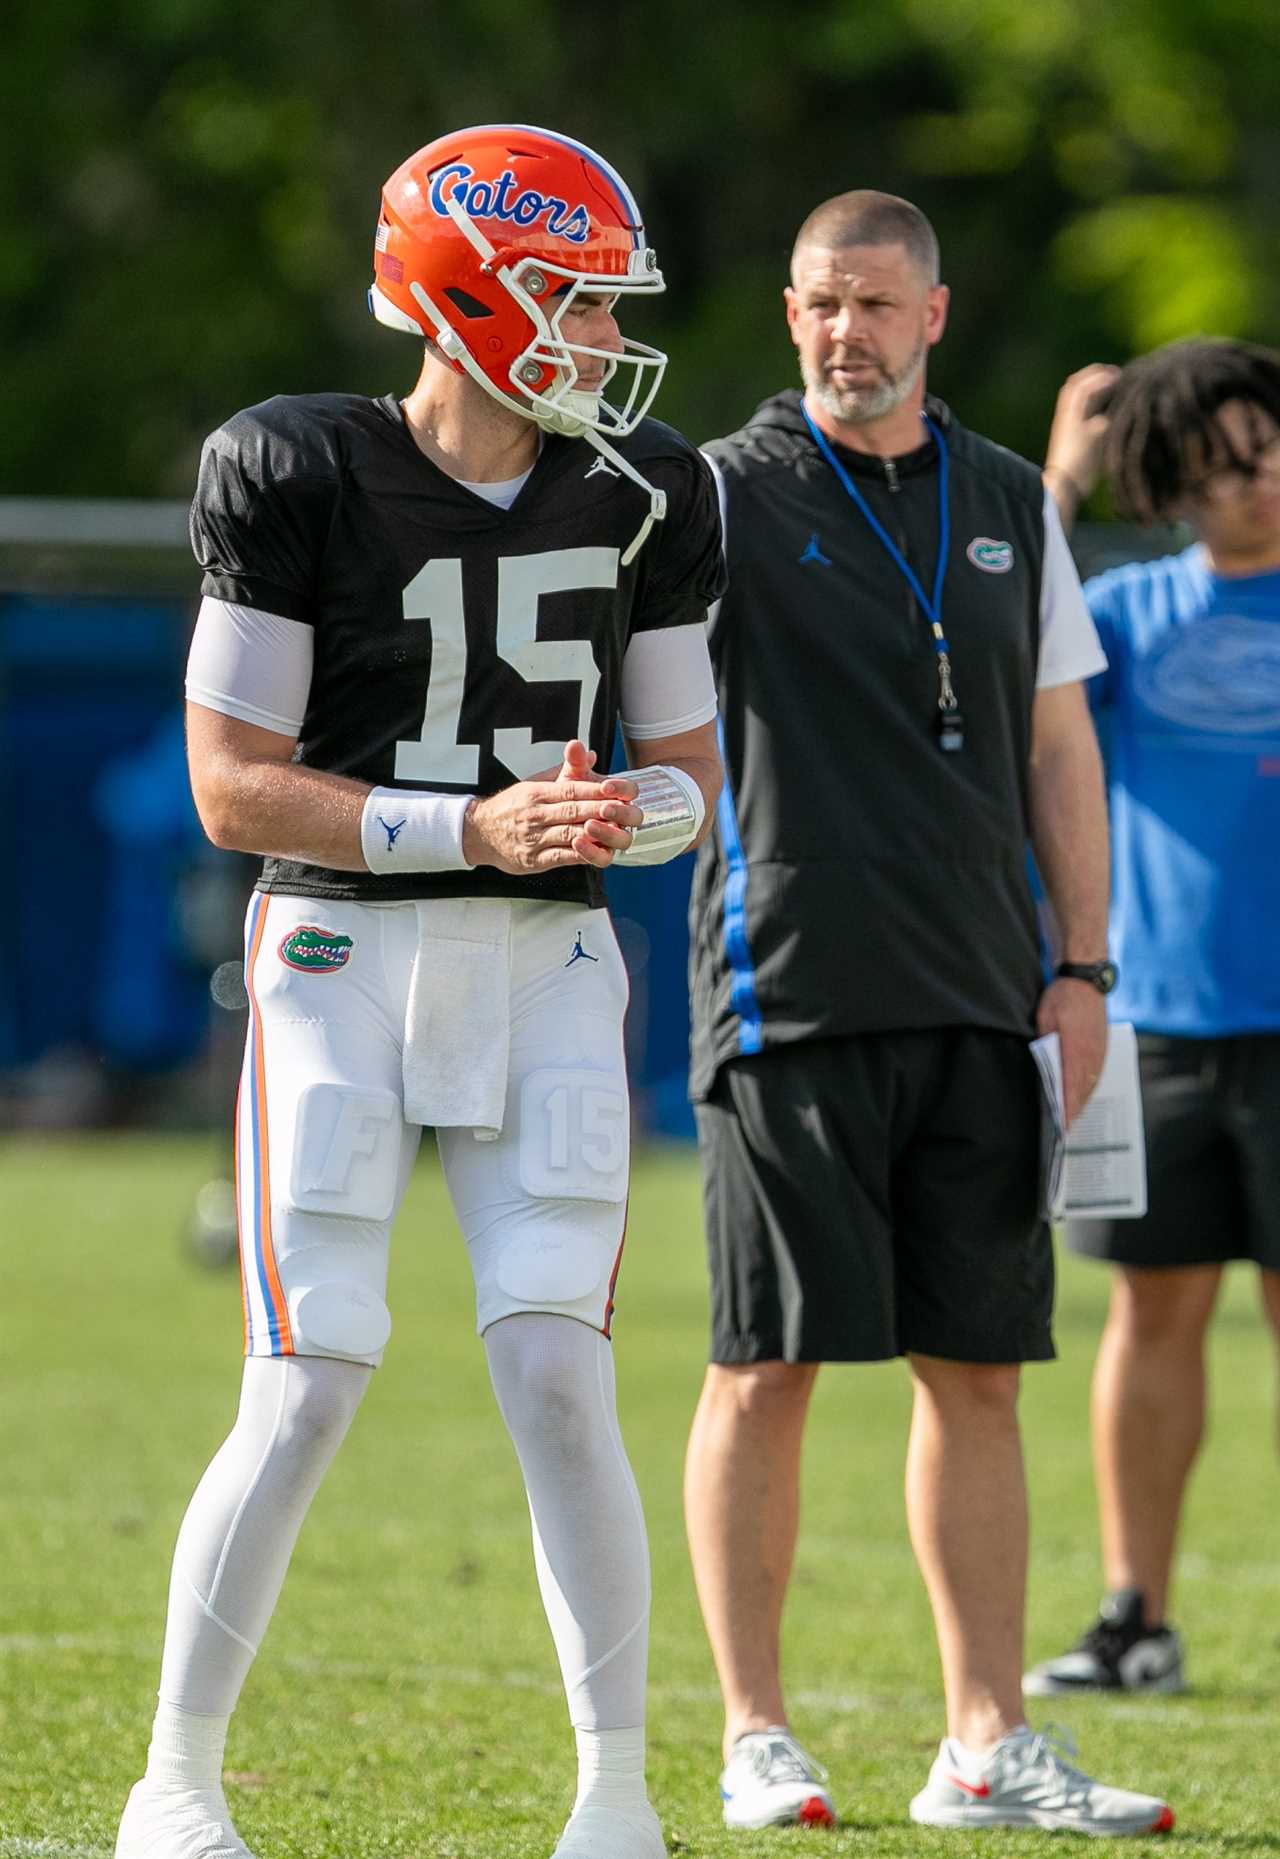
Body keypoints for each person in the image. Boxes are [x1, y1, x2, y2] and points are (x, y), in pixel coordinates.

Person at [113, 123, 724, 1859]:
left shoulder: (653, 487)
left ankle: (617, 1797)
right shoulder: (295, 464)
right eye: (577, 299)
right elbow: (234, 785)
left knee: (559, 1376)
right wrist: (475, 821)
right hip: (338, 959)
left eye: (610, 305)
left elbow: (690, 771)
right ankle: (176, 1784)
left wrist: (634, 810)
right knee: (307, 1378)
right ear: (468, 295)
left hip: (548, 967)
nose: (604, 337)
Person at [682, 188, 1173, 1838]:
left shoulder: (1013, 497)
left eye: (879, 305)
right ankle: (757, 1733)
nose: (848, 333)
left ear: (936, 318)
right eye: (823, 302)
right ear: (790, 310)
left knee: (979, 1374)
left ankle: (984, 1744)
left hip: (982, 998)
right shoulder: (717, 496)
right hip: (788, 990)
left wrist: (1083, 968)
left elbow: (1058, 749)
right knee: (769, 1367)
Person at [1025, 339, 1280, 1697]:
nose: (1260, 481)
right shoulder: (1123, 614)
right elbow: (1002, 634)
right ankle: (1138, 1617)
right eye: (1230, 460)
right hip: (1160, 1028)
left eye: (1275, 450)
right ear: (1176, 477)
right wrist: (1060, 481)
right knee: (1152, 1313)